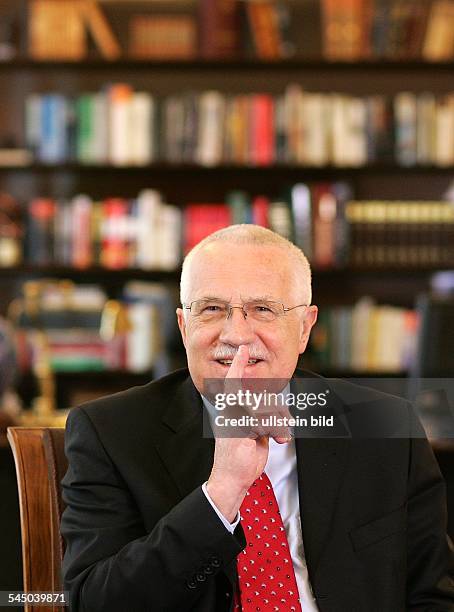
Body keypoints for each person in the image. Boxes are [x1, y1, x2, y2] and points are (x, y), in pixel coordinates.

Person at [61, 225, 454, 611]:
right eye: (211, 309)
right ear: (184, 327)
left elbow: (432, 595)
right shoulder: (110, 433)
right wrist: (222, 493)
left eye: (263, 309)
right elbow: (94, 601)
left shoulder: (382, 425)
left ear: (304, 328)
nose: (235, 334)